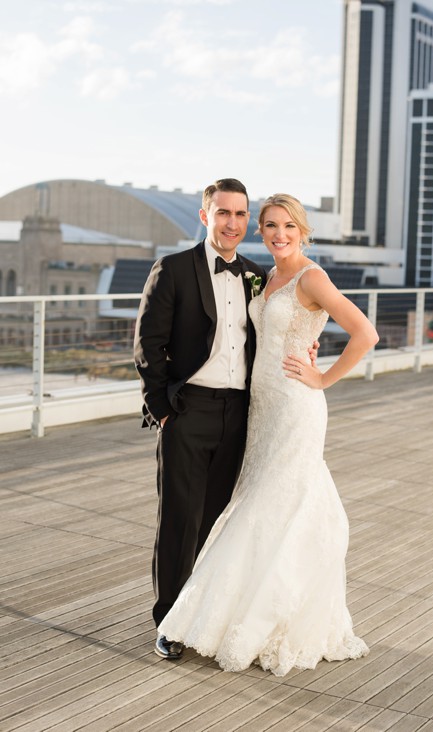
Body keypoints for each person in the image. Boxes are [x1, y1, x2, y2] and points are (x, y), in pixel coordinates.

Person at [156, 193, 378, 676]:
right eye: (271, 226)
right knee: (259, 504)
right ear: (261, 230)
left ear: (303, 231)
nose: (279, 234)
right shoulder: (265, 275)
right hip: (260, 409)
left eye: (288, 227)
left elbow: (365, 333)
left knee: (272, 507)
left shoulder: (311, 276)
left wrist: (321, 377)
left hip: (296, 406)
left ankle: (262, 619)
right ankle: (231, 611)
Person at [135, 178, 266, 661]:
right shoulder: (171, 270)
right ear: (204, 214)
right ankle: (169, 620)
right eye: (223, 213)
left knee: (218, 523)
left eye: (240, 214)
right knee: (179, 522)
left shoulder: (257, 275)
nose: (233, 223)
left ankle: (205, 617)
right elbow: (148, 346)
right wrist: (164, 411)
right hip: (188, 411)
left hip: (241, 413)